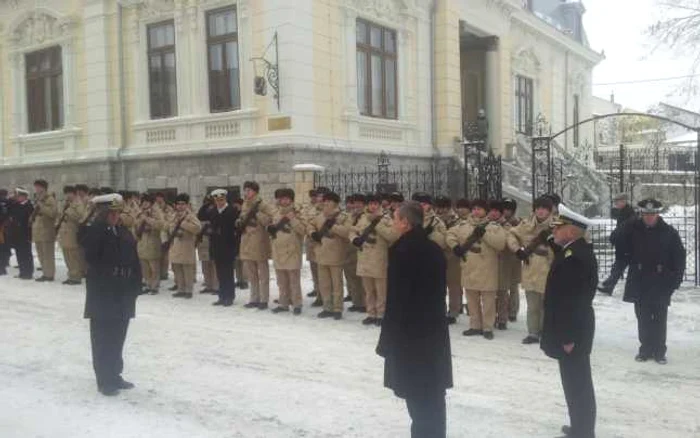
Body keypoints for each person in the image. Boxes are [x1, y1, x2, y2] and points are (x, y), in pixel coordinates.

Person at [377, 201, 452, 438]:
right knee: (432, 396)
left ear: (406, 223)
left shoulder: (402, 251)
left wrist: (386, 340)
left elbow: (397, 301)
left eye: (396, 219)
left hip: (409, 334)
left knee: (417, 396)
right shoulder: (433, 248)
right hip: (433, 330)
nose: (393, 223)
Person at [541, 204, 598, 438]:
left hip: (572, 332)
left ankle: (583, 432)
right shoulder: (573, 251)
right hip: (573, 328)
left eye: (559, 227)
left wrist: (568, 336)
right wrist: (554, 241)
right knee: (574, 382)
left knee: (578, 384)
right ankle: (579, 427)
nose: (554, 230)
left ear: (572, 232)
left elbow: (572, 301)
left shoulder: (575, 258)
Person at [82, 193, 142, 396]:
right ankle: (104, 380)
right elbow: (88, 251)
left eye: (117, 212)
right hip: (103, 292)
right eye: (112, 213)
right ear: (102, 213)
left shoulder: (123, 232)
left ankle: (115, 375)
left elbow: (134, 258)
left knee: (118, 336)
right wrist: (99, 224)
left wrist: (136, 285)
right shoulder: (94, 232)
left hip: (123, 291)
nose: (116, 216)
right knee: (102, 339)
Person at [622, 199, 685, 364]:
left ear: (658, 214)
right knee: (642, 318)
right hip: (640, 281)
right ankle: (645, 349)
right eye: (646, 214)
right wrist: (629, 223)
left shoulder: (669, 232)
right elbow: (617, 241)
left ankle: (659, 351)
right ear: (641, 214)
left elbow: (679, 258)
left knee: (659, 318)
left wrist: (675, 281)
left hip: (660, 281)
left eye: (652, 214)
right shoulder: (633, 230)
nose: (649, 217)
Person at [447, 199, 506, 340]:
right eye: (474, 209)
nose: (476, 211)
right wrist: (455, 247)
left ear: (486, 211)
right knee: (471, 298)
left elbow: (500, 244)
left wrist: (484, 234)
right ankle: (475, 325)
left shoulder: (494, 227)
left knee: (488, 301)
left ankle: (487, 327)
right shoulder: (463, 225)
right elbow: (449, 235)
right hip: (469, 267)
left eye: (479, 209)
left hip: (487, 268)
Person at [507, 196, 556, 345]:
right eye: (538, 208)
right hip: (530, 269)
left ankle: (547, 332)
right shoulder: (526, 224)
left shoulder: (557, 225)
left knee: (547, 305)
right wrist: (517, 250)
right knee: (533, 305)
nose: (540, 211)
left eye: (544, 208)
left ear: (550, 210)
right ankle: (533, 332)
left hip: (549, 270)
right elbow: (511, 234)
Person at [350, 193, 398, 326]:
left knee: (381, 290)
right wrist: (355, 239)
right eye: (370, 204)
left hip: (379, 259)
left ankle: (381, 314)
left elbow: (392, 236)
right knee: (369, 290)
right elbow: (352, 231)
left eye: (375, 204)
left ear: (379, 205)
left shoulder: (386, 219)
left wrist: (376, 224)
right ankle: (371, 313)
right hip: (364, 258)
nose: (373, 206)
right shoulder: (362, 218)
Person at [309, 191, 350, 320]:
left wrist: (334, 226)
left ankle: (337, 308)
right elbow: (310, 225)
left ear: (335, 203)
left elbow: (347, 232)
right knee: (324, 284)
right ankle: (327, 307)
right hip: (321, 253)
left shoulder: (343, 216)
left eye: (329, 201)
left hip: (336, 254)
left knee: (336, 284)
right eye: (325, 201)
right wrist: (312, 233)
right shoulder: (320, 216)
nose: (326, 204)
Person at [237, 181, 275, 310]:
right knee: (251, 274)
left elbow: (270, 220)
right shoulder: (245, 204)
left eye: (249, 190)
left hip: (259, 242)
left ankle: (264, 300)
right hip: (247, 241)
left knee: (263, 274)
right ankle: (254, 298)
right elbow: (242, 218)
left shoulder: (262, 204)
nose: (246, 193)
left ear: (255, 191)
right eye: (245, 190)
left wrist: (257, 213)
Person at [269, 188, 306, 315]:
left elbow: (303, 230)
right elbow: (271, 229)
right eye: (280, 198)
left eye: (285, 198)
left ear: (291, 199)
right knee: (281, 281)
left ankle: (297, 304)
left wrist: (292, 219)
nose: (283, 201)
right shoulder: (275, 213)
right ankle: (283, 303)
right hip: (278, 250)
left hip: (292, 251)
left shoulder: (298, 212)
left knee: (293, 280)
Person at [598, 193, 637, 295]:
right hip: (625, 246)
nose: (615, 203)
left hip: (626, 246)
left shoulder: (628, 213)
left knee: (619, 267)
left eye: (617, 201)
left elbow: (624, 229)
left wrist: (614, 237)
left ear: (623, 201)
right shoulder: (625, 212)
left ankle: (609, 286)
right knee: (618, 267)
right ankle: (608, 284)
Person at [435, 196, 463, 324]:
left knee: (453, 286)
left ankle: (453, 312)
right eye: (439, 207)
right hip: (437, 255)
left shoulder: (457, 220)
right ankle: (440, 310)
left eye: (443, 207)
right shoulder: (434, 220)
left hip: (452, 256)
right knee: (438, 286)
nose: (440, 210)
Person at [208, 189, 239, 306]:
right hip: (217, 246)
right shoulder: (213, 212)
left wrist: (235, 247)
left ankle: (229, 296)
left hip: (228, 246)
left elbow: (235, 230)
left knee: (228, 273)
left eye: (221, 200)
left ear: (225, 199)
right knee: (220, 273)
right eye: (217, 200)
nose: (219, 202)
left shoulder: (232, 210)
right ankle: (222, 296)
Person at [167, 194, 201, 299]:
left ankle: (188, 290)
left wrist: (182, 224)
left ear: (186, 205)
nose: (180, 206)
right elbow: (169, 227)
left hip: (186, 244)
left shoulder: (190, 216)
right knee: (177, 268)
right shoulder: (174, 215)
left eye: (183, 204)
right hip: (176, 244)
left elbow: (197, 228)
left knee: (187, 270)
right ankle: (180, 289)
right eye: (178, 204)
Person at [57, 186, 87, 285]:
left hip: (72, 232)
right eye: (66, 193)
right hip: (65, 233)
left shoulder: (78, 203)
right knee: (67, 256)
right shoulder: (67, 204)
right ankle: (71, 275)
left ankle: (76, 277)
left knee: (73, 256)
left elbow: (81, 216)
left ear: (74, 194)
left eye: (69, 193)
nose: (67, 195)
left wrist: (69, 211)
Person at [135, 194, 165, 295]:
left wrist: (147, 220)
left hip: (153, 241)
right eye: (143, 202)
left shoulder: (156, 212)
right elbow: (135, 224)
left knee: (154, 267)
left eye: (147, 202)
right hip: (142, 242)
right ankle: (147, 284)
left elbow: (161, 224)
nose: (144, 204)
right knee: (144, 267)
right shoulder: (139, 212)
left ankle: (154, 286)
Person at [32, 179, 58, 282]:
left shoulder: (50, 198)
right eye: (36, 187)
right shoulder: (38, 198)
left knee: (48, 254)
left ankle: (49, 275)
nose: (36, 189)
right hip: (38, 230)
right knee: (41, 253)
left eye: (38, 186)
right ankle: (45, 272)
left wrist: (41, 206)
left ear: (43, 187)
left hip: (47, 230)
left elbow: (53, 213)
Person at [344, 194, 366, 311]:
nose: (355, 206)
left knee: (361, 278)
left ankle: (364, 303)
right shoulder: (349, 216)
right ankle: (356, 301)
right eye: (354, 203)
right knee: (351, 277)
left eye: (359, 203)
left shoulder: (366, 217)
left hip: (361, 250)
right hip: (349, 249)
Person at [7, 188, 34, 279]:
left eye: (18, 196)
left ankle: (28, 272)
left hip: (25, 233)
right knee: (19, 253)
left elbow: (28, 220)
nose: (17, 197)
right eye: (17, 196)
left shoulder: (29, 206)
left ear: (24, 196)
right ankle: (22, 271)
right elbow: (9, 208)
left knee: (26, 253)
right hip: (16, 233)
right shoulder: (16, 205)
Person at [502, 198, 522, 322]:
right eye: (504, 209)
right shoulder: (498, 221)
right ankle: (504, 310)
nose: (506, 212)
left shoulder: (518, 222)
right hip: (502, 257)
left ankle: (513, 311)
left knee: (513, 286)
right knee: (502, 287)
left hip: (514, 257)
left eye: (508, 209)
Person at [196, 195, 219, 294]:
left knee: (214, 264)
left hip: (213, 238)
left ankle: (215, 286)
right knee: (205, 263)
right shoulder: (201, 211)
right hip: (204, 238)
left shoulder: (217, 210)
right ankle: (209, 285)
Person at [0, 189, 10, 275]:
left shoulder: (3, 202)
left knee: (2, 247)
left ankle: (2, 268)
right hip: (6, 227)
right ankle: (4, 264)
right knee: (5, 247)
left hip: (2, 227)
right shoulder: (8, 202)